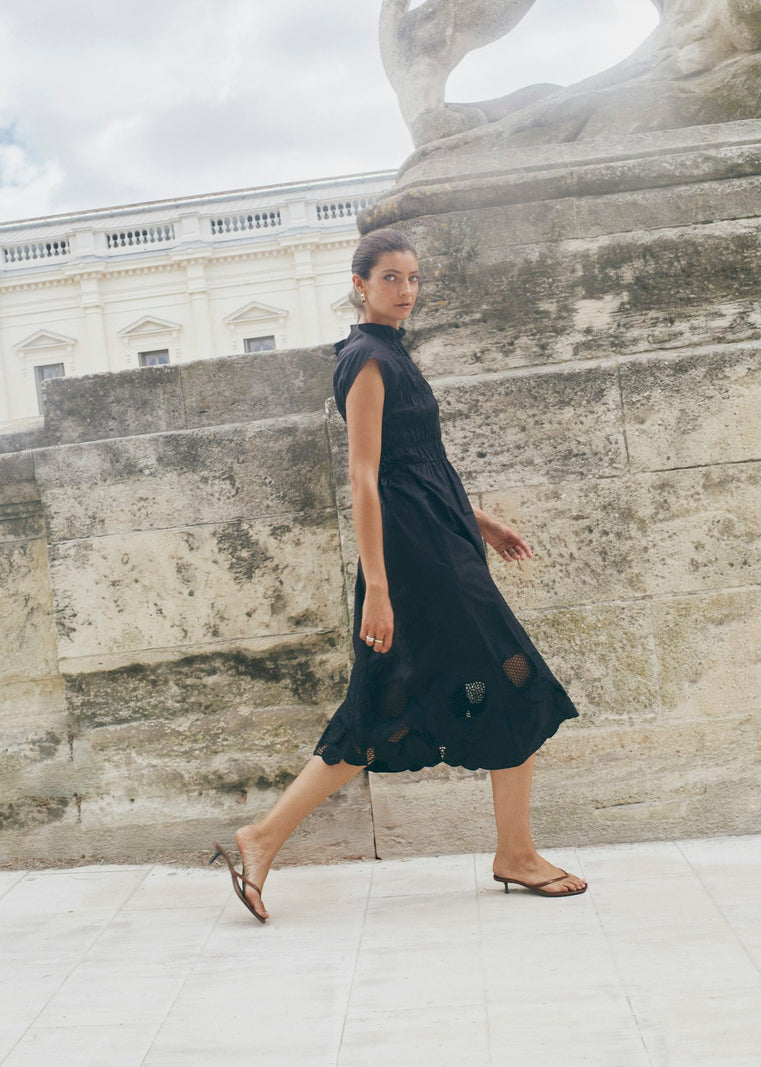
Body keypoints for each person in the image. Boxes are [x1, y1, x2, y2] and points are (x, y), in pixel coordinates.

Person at [212, 228, 587, 922]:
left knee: (383, 708)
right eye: (391, 278)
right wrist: (378, 588)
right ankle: (516, 852)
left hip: (442, 542)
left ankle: (263, 837)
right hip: (418, 562)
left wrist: (480, 520)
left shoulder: (392, 354)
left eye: (414, 278)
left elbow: (418, 463)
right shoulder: (366, 360)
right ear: (359, 284)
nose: (407, 290)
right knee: (517, 678)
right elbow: (364, 477)